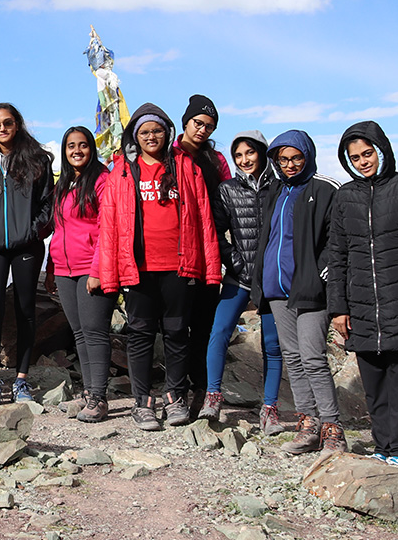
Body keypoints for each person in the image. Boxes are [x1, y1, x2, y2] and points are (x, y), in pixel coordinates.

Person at [95, 104, 221, 430]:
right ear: (135, 136)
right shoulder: (122, 172)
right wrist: (104, 270)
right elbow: (108, 223)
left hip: (179, 265)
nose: (152, 136)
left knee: (178, 332)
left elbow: (204, 218)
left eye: (157, 130)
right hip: (137, 267)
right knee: (140, 333)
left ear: (167, 133)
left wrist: (210, 267)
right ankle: (142, 402)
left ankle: (175, 397)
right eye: (145, 132)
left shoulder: (185, 167)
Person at [327, 121, 398, 467]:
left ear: (381, 150)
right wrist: (338, 308)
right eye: (355, 157)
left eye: (367, 153)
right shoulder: (345, 196)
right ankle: (382, 446)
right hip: (361, 306)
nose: (362, 161)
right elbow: (337, 255)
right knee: (373, 383)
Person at [252, 130, 342, 455]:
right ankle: (308, 426)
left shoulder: (324, 188)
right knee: (292, 358)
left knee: (313, 358)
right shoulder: (276, 190)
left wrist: (324, 273)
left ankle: (333, 429)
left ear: (308, 156)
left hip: (310, 289)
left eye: (296, 158)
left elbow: (337, 236)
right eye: (283, 159)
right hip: (277, 289)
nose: (289, 165)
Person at [0, 103, 54, 407]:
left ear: (18, 124)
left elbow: (47, 205)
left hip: (27, 246)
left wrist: (32, 232)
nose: (2, 129)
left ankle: (21, 380)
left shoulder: (37, 160)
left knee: (25, 310)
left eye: (7, 123)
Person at [200, 131, 285, 432]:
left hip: (273, 281)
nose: (245, 159)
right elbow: (216, 233)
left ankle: (270, 408)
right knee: (220, 330)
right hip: (239, 276)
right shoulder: (227, 190)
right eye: (238, 155)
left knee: (273, 345)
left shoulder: (280, 188)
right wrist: (234, 261)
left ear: (262, 153)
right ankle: (213, 395)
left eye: (250, 153)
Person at [45, 126, 116, 422]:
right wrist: (50, 269)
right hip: (64, 268)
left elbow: (107, 228)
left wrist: (98, 269)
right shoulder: (64, 184)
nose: (77, 150)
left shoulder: (101, 180)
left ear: (91, 148)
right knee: (79, 333)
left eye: (83, 145)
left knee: (95, 331)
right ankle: (89, 392)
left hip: (92, 267)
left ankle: (99, 398)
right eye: (71, 146)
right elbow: (59, 230)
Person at [175, 94, 231, 417]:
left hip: (210, 248)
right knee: (177, 324)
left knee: (205, 324)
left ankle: (204, 390)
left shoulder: (216, 161)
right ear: (186, 122)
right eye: (198, 123)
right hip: (179, 249)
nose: (203, 130)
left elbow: (227, 202)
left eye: (209, 126)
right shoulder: (170, 154)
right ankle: (177, 390)